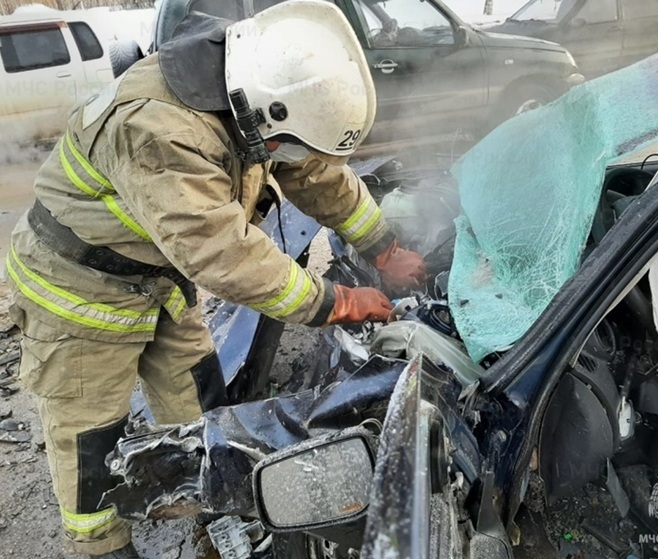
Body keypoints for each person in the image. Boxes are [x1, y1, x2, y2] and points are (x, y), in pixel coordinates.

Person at [5, 1, 427, 557]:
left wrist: (384, 247)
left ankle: (210, 506)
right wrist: (337, 302)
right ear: (261, 113)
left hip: (157, 278)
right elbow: (224, 254)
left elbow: (315, 173)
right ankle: (102, 545)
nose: (286, 155)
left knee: (199, 394)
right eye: (283, 144)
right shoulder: (157, 129)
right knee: (91, 435)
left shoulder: (253, 87)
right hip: (78, 288)